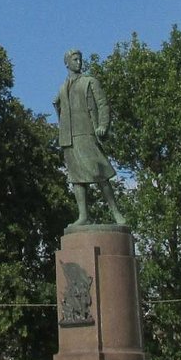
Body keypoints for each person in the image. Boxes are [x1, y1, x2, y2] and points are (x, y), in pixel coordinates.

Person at [54, 48, 126, 226]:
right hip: (69, 137)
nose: (79, 63)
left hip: (87, 133)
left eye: (80, 59)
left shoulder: (89, 81)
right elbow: (58, 106)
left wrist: (103, 125)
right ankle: (83, 215)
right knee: (76, 178)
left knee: (100, 172)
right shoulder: (63, 87)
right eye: (75, 60)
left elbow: (102, 104)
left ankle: (116, 212)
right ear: (67, 63)